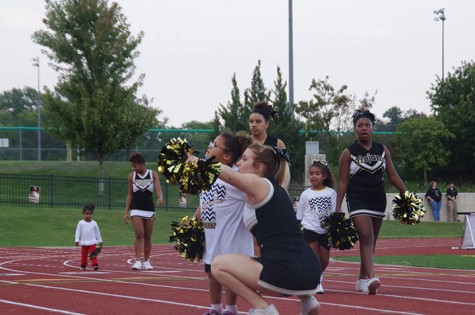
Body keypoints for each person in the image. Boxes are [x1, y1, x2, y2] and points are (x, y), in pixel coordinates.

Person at [189, 143, 321, 315]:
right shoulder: (278, 190)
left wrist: (198, 162)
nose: (238, 164)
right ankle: (307, 300)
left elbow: (229, 176)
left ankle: (263, 308)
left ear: (259, 167)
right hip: (311, 271)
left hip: (286, 273)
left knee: (217, 265)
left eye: (244, 159)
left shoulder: (258, 183)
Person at [335, 109, 407, 295]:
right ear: (355, 129)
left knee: (371, 241)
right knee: (366, 236)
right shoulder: (348, 152)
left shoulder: (382, 150)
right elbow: (343, 182)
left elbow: (392, 175)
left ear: (373, 128)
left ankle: (361, 279)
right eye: (360, 125)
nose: (364, 128)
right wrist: (337, 208)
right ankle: (371, 277)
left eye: (367, 125)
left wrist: (406, 193)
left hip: (377, 198)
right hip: (357, 198)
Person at [195, 129, 254, 315]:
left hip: (231, 237)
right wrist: (195, 217)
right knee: (211, 271)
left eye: (215, 145)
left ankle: (230, 309)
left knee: (229, 274)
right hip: (212, 234)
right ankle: (215, 308)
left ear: (227, 156)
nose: (210, 147)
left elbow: (252, 193)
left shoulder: (235, 176)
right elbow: (204, 200)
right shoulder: (208, 174)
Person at [296, 159, 336, 294]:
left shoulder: (331, 193)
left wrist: (337, 227)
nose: (314, 176)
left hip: (326, 230)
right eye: (311, 174)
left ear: (324, 176)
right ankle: (317, 281)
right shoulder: (305, 194)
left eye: (317, 174)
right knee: (315, 257)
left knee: (324, 260)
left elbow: (337, 212)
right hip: (309, 228)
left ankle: (316, 274)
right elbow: (299, 215)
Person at [124, 151, 163, 270]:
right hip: (136, 208)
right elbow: (130, 195)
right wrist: (126, 212)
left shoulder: (153, 174)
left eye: (135, 166)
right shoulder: (131, 176)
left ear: (141, 164)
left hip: (149, 208)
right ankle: (137, 261)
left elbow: (158, 190)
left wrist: (160, 197)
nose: (134, 168)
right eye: (132, 166)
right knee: (139, 233)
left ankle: (147, 261)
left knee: (147, 236)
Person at [75, 202, 102, 271]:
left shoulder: (94, 223)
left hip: (92, 241)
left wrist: (100, 241)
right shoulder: (80, 223)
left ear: (92, 214)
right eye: (86, 214)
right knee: (84, 254)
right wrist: (77, 240)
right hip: (84, 242)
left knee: (93, 253)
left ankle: (95, 264)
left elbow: (97, 232)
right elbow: (77, 232)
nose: (88, 216)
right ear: (83, 214)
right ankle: (83, 264)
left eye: (90, 214)